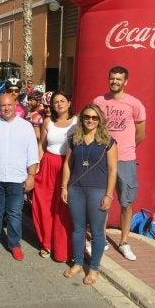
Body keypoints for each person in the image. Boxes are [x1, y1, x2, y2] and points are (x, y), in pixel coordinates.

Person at [0, 93, 39, 260]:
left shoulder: (26, 126)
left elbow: (32, 155)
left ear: (15, 105)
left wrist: (31, 176)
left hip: (17, 178)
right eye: (3, 105)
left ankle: (14, 244)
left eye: (9, 105)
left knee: (14, 213)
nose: (6, 108)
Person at [61, 104, 117, 285]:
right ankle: (78, 263)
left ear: (99, 119)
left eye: (94, 117)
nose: (90, 120)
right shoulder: (73, 139)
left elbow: (112, 170)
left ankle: (93, 268)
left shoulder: (108, 141)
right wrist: (64, 187)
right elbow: (68, 165)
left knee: (97, 232)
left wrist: (109, 195)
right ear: (82, 119)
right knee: (78, 229)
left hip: (98, 190)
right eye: (86, 117)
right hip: (76, 189)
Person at [93, 66, 145, 261]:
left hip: (125, 160)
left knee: (126, 202)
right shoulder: (99, 101)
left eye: (118, 79)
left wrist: (126, 148)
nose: (114, 81)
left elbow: (141, 133)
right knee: (102, 201)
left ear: (125, 81)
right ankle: (102, 239)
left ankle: (124, 242)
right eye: (112, 78)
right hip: (102, 159)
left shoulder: (135, 104)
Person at [33, 91, 76, 261]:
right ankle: (47, 243)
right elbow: (42, 146)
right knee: (44, 205)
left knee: (65, 208)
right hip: (48, 165)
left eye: (62, 101)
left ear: (69, 103)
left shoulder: (77, 122)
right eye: (56, 101)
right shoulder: (47, 122)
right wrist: (36, 167)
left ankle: (64, 247)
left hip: (69, 166)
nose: (59, 104)